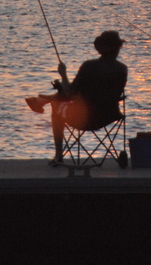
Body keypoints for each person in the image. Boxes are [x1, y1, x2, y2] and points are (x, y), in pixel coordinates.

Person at [25, 30, 128, 166]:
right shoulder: (122, 69)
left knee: (57, 107)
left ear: (100, 49)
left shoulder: (88, 66)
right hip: (109, 116)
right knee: (74, 97)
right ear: (117, 49)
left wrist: (63, 74)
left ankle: (58, 156)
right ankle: (43, 100)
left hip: (83, 118)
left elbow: (70, 94)